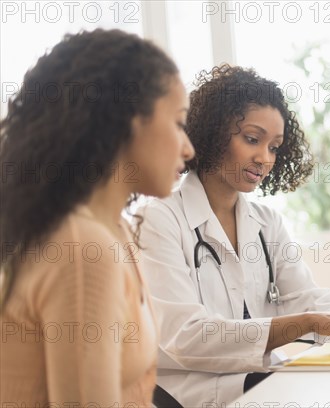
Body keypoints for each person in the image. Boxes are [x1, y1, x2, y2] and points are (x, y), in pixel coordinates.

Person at [136, 65, 330, 406]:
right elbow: (185, 337)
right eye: (251, 139)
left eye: (275, 147)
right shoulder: (159, 219)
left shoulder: (266, 222)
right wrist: (309, 322)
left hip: (262, 383)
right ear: (213, 132)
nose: (264, 158)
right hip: (189, 394)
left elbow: (307, 299)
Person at [0, 29, 194, 406]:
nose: (188, 148)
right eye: (179, 122)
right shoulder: (82, 248)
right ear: (128, 120)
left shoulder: (115, 230)